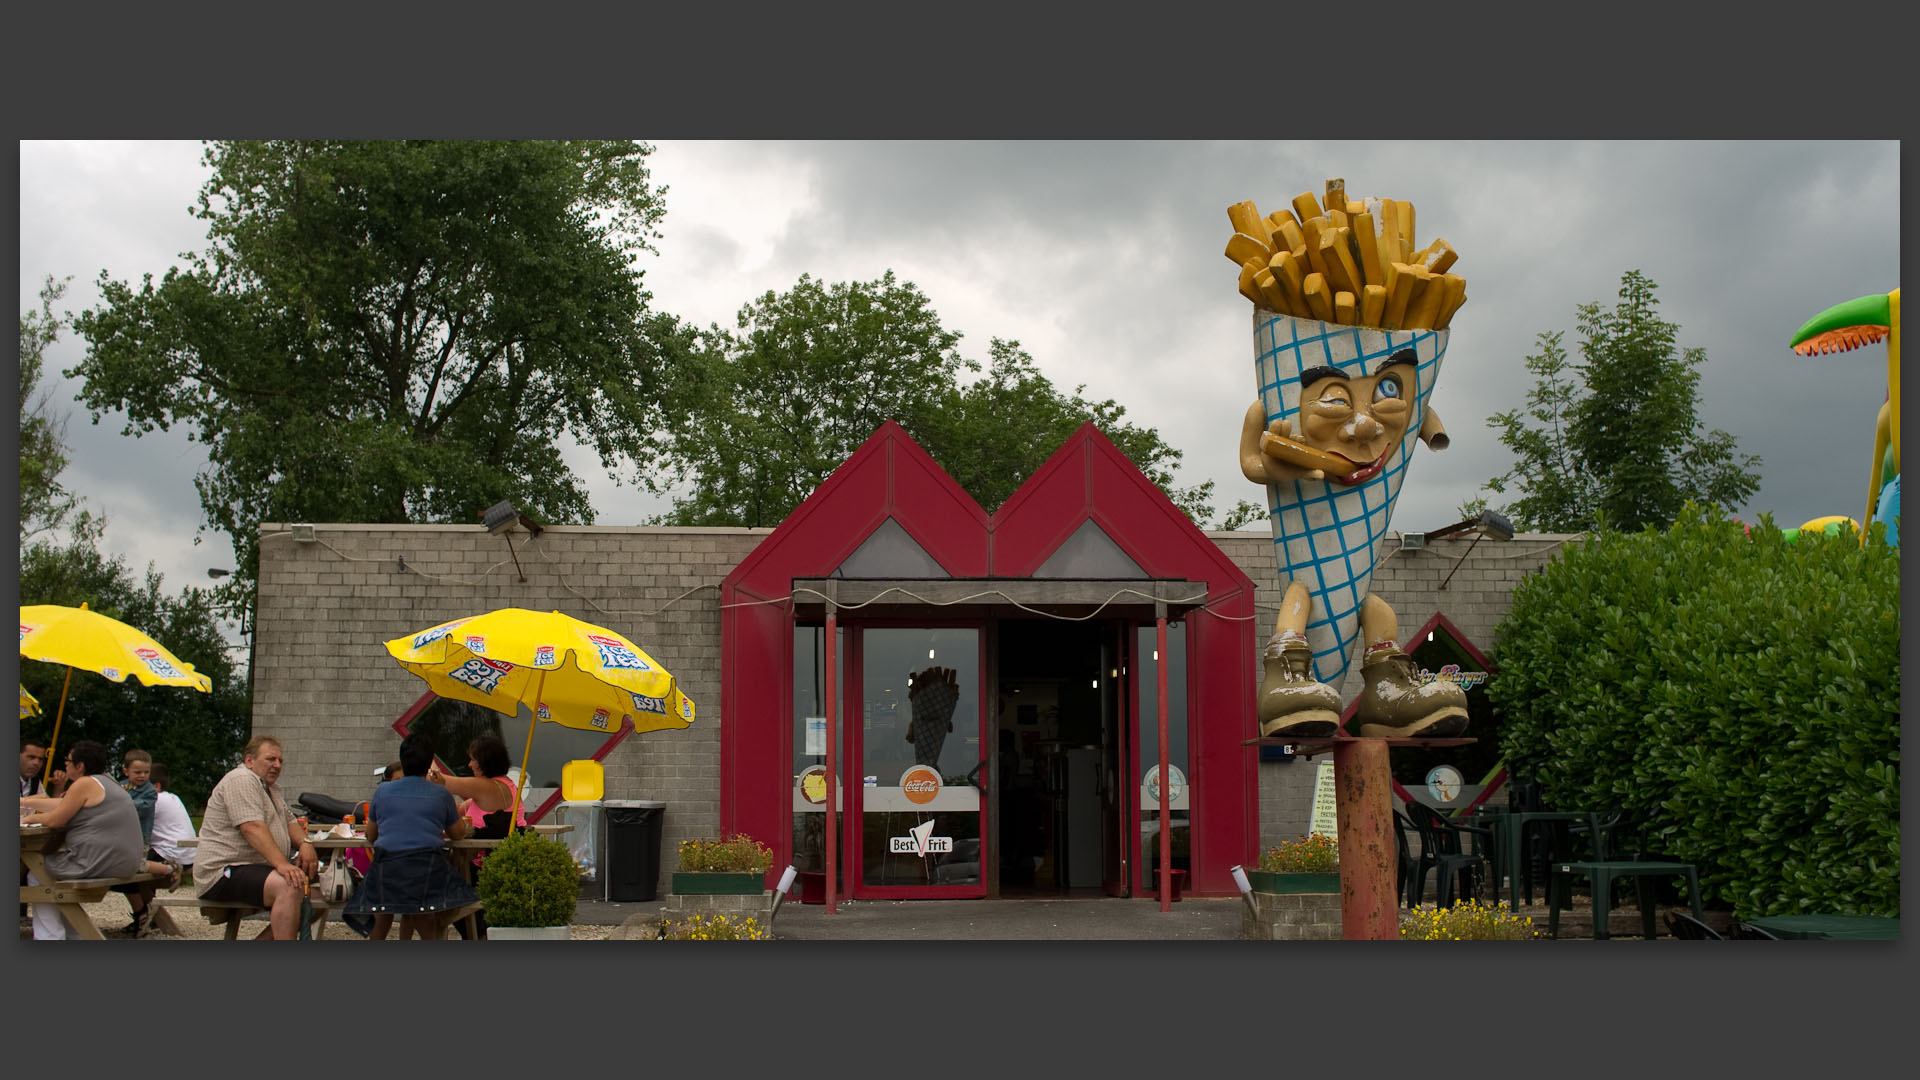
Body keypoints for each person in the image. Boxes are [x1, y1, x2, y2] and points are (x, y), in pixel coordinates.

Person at [344, 733, 474, 940]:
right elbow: (457, 834)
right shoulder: (441, 794)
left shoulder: (383, 791)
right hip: (426, 868)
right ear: (429, 763)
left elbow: (371, 835)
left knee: (382, 913)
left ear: (402, 761)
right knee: (426, 918)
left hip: (387, 868)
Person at [194, 735, 319, 941]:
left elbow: (291, 822)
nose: (277, 765)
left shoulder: (270, 789)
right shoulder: (241, 779)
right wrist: (282, 864)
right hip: (222, 870)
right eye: (270, 759)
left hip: (253, 868)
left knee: (317, 899)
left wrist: (305, 843)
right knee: (289, 885)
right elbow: (251, 827)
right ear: (249, 761)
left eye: (280, 761)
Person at [20, 740, 147, 940]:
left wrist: (29, 818)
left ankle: (49, 938)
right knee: (48, 876)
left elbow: (55, 820)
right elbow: (62, 803)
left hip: (98, 861)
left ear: (80, 765)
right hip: (125, 862)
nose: (66, 764)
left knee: (37, 872)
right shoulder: (106, 781)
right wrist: (25, 802)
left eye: (68, 761)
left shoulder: (84, 783)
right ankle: (75, 935)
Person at [113, 749, 182, 936]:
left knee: (137, 866)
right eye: (138, 772)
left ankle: (170, 869)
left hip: (140, 839)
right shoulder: (122, 787)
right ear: (126, 771)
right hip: (122, 838)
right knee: (123, 870)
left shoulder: (150, 792)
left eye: (146, 772)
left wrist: (118, 802)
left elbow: (138, 809)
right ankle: (142, 913)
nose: (142, 776)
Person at [147, 763, 197, 878]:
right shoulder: (173, 797)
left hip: (171, 853)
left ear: (156, 787)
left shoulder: (155, 799)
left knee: (130, 863)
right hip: (189, 855)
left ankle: (171, 869)